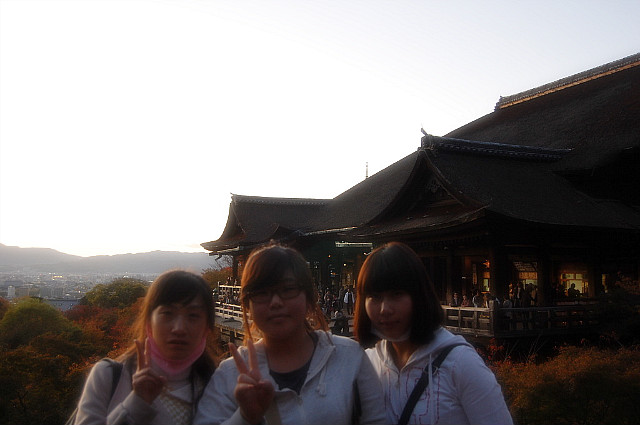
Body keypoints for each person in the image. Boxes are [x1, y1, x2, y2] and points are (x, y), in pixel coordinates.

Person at [194, 244, 386, 425]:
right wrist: (244, 417)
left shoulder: (348, 356)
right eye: (261, 293)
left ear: (309, 298)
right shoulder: (230, 373)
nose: (275, 302)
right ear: (247, 304)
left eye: (288, 290)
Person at [354, 242, 513, 425]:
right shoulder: (367, 364)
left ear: (419, 296)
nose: (384, 309)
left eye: (396, 294)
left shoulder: (460, 363)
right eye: (374, 297)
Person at [73, 270, 218, 425]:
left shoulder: (220, 385)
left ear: (207, 327)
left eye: (193, 315)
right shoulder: (108, 376)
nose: (179, 328)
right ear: (149, 322)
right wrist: (137, 402)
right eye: (167, 313)